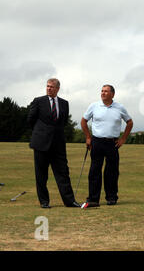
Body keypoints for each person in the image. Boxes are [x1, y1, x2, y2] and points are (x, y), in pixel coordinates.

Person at [28, 78, 80, 208]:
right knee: (41, 174)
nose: (48, 88)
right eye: (47, 86)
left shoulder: (64, 103)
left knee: (63, 173)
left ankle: (70, 201)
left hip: (58, 145)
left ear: (57, 88)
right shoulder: (38, 101)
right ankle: (44, 202)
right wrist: (41, 133)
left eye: (51, 87)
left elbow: (63, 123)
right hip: (41, 144)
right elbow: (30, 120)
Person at [81, 85, 133, 207]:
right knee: (94, 171)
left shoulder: (120, 108)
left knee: (112, 172)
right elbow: (83, 121)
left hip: (112, 143)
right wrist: (88, 137)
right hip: (97, 142)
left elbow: (129, 122)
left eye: (106, 91)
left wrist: (123, 139)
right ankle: (93, 199)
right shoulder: (94, 106)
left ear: (112, 94)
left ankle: (111, 197)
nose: (103, 93)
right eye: (102, 91)